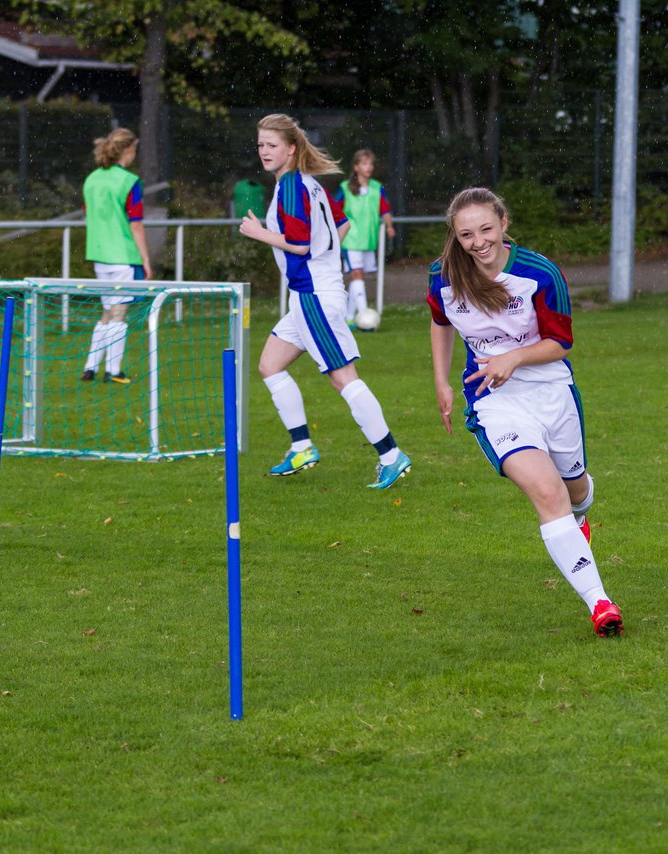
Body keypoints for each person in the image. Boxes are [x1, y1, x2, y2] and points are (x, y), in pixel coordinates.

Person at [427, 187, 622, 638]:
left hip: (551, 391)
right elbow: (440, 322)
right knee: (548, 494)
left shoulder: (539, 273)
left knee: (575, 489)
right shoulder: (442, 275)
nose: (478, 242)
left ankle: (579, 519)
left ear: (504, 223)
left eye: (486, 230)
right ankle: (600, 603)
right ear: (456, 237)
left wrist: (513, 358)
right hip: (493, 399)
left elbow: (561, 343)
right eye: (466, 234)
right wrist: (440, 379)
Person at [238, 114, 410, 488]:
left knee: (343, 378)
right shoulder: (308, 185)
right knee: (270, 364)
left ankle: (391, 455)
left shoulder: (292, 189)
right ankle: (301, 446)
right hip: (309, 296)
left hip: (314, 296)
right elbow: (341, 224)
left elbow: (299, 244)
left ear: (291, 148)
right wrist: (326, 255)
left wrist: (260, 233)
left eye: (272, 145)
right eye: (261, 144)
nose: (264, 151)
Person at [81, 128, 152, 384]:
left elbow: (89, 213)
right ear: (128, 150)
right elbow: (135, 223)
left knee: (108, 312)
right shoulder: (129, 181)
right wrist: (145, 259)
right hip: (123, 255)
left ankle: (90, 367)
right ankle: (114, 371)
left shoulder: (91, 179)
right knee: (120, 313)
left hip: (99, 255)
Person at [333, 149, 396, 326]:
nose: (368, 167)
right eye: (364, 164)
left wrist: (389, 225)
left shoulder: (376, 187)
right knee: (357, 273)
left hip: (368, 239)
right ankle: (365, 316)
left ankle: (349, 317)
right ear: (356, 167)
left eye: (370, 164)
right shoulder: (345, 187)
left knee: (359, 276)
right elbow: (335, 210)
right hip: (350, 238)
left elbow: (384, 209)